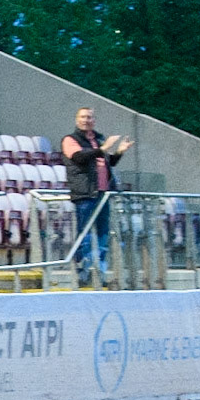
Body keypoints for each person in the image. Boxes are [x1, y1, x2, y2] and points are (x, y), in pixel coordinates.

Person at [61, 107, 132, 285]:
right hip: (85, 193)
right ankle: (84, 272)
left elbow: (107, 161)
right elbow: (79, 157)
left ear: (94, 120)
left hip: (102, 193)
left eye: (90, 117)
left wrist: (119, 152)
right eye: (83, 117)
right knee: (84, 234)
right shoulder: (71, 139)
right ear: (77, 120)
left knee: (102, 235)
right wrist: (103, 148)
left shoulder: (99, 140)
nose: (86, 120)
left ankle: (99, 272)